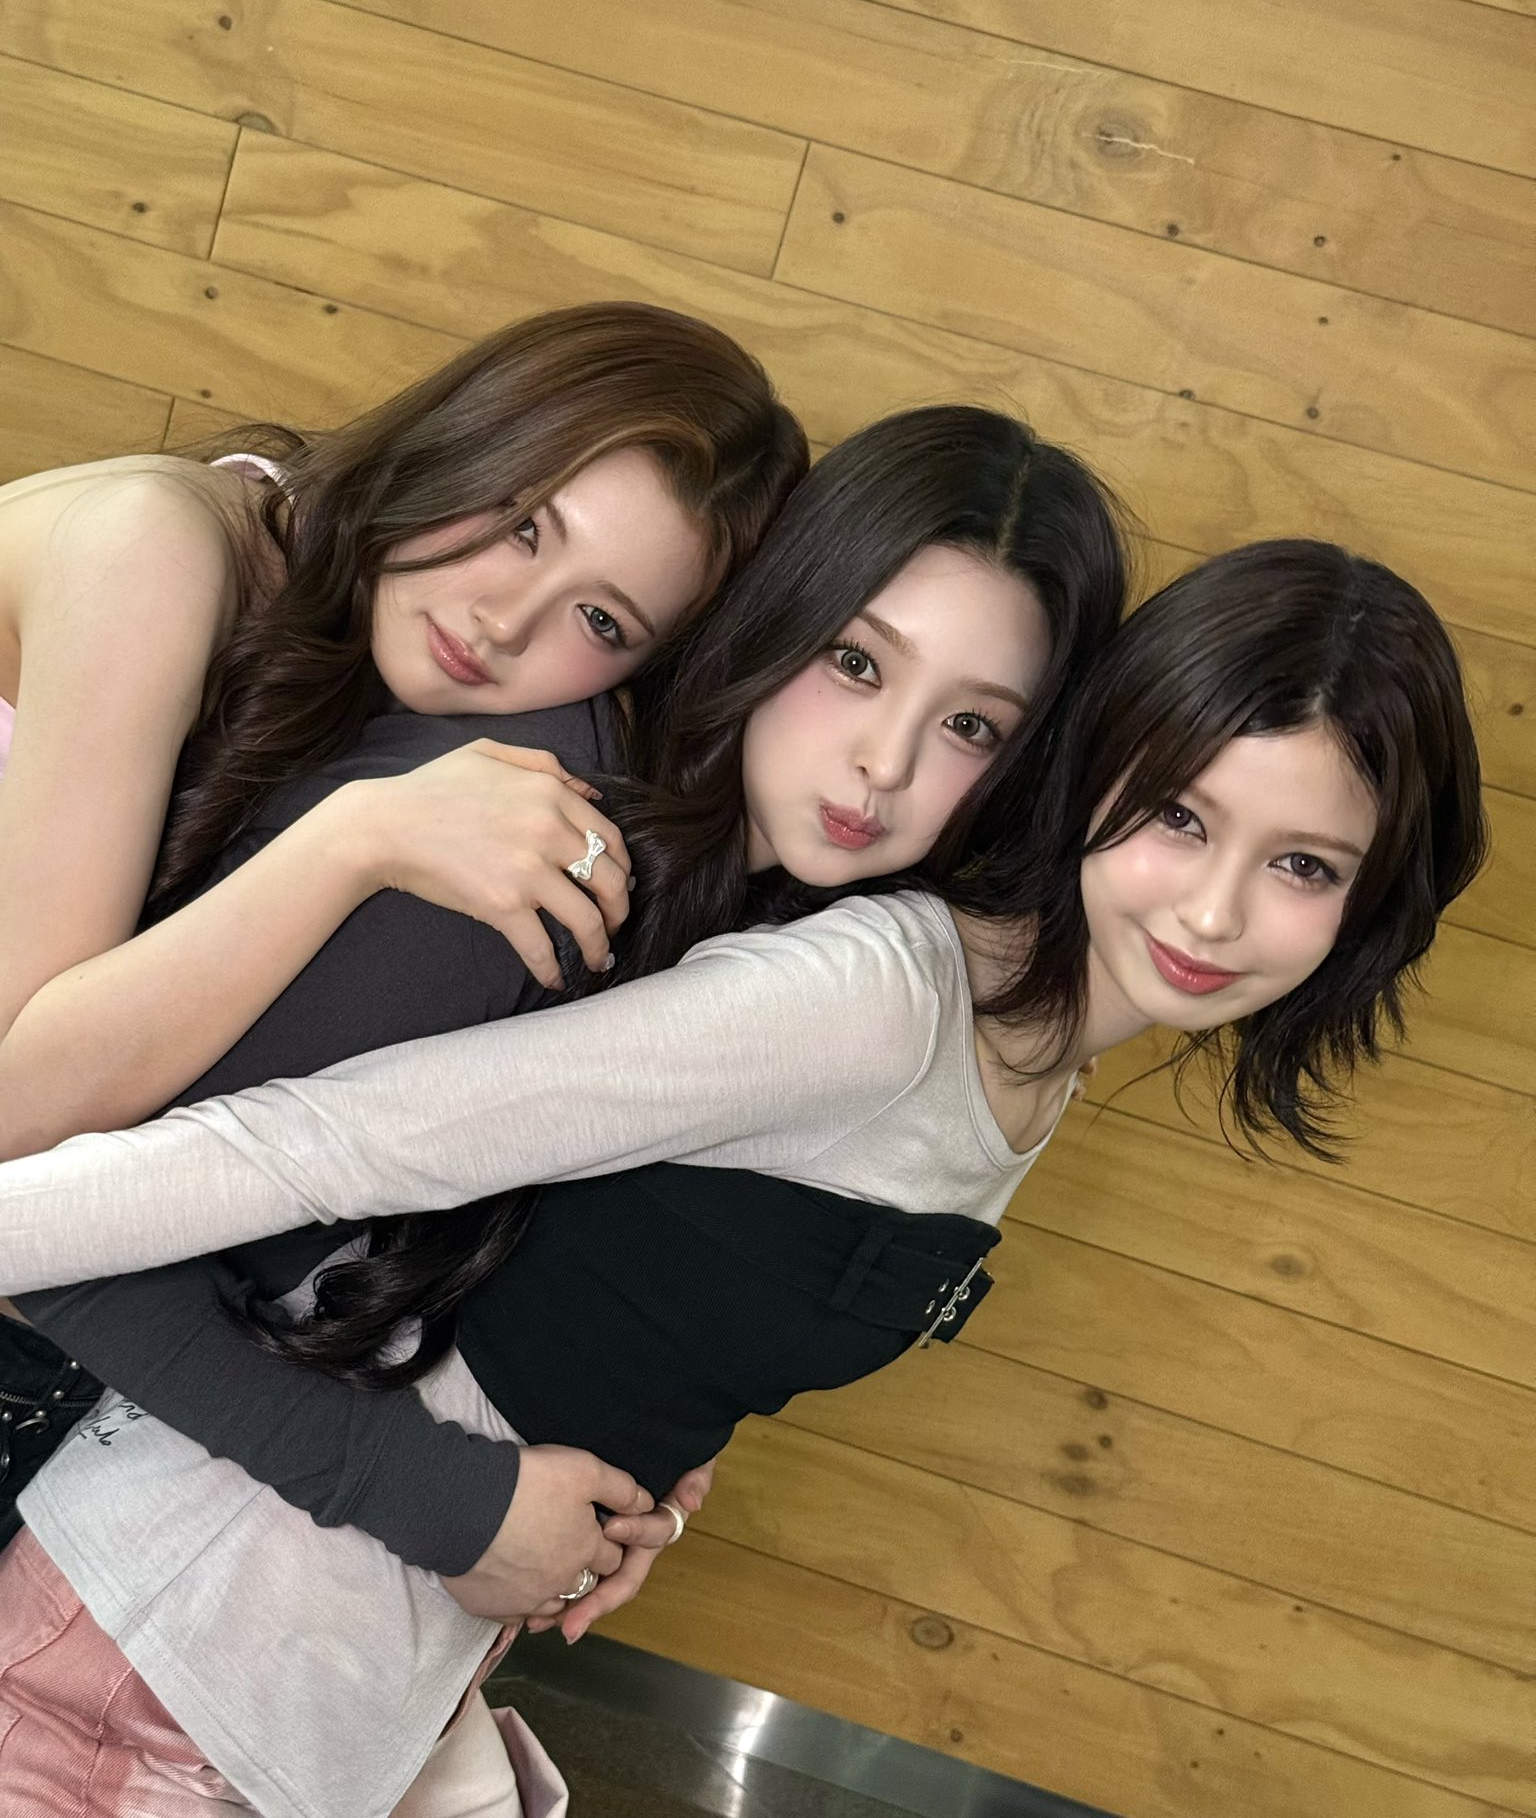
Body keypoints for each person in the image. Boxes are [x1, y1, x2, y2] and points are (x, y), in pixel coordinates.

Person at [0, 538, 1485, 1816]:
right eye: (1183, 818)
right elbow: (316, 1141)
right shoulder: (879, 999)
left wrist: (656, 1456)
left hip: (316, 1699)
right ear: (1098, 769)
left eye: (1305, 865)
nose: (1215, 912)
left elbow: (658, 1273)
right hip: (144, 1671)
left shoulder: (1034, 1058)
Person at [0, 299, 807, 1542]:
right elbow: (16, 1123)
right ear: (471, 433)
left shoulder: (367, 648)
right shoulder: (154, 551)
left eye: (601, 620)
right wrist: (358, 838)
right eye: (523, 522)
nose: (504, 621)